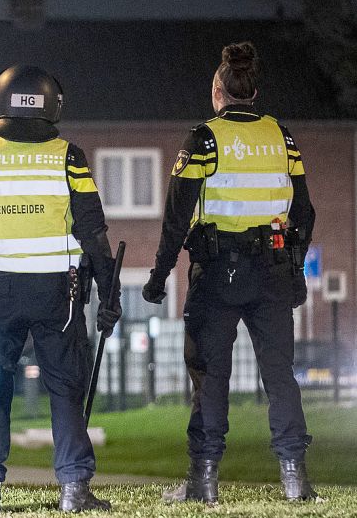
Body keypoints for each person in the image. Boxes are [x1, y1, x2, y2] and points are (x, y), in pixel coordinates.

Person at [143, 42, 317, 504]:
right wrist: (296, 269)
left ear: (218, 90)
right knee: (280, 375)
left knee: (210, 375)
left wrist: (159, 277)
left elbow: (176, 217)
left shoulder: (203, 138)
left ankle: (203, 482)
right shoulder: (283, 137)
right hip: (273, 271)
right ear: (254, 92)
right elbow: (304, 212)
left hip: (218, 273)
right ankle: (296, 481)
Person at [0, 65, 122, 512]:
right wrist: (109, 296)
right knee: (64, 387)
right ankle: (74, 489)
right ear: (52, 105)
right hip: (55, 295)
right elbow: (94, 235)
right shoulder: (68, 156)